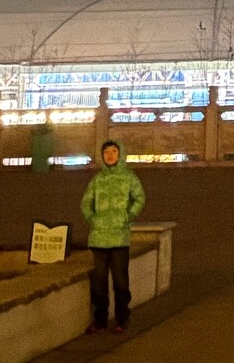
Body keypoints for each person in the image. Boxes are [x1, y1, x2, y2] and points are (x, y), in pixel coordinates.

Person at [79, 139, 147, 331]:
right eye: (106, 152)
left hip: (119, 238)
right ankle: (100, 319)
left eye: (114, 151)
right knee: (99, 283)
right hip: (99, 239)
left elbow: (140, 198)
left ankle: (122, 318)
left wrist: (127, 216)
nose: (110, 155)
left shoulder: (129, 178)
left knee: (120, 282)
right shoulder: (97, 180)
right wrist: (94, 220)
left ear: (120, 154)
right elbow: (85, 203)